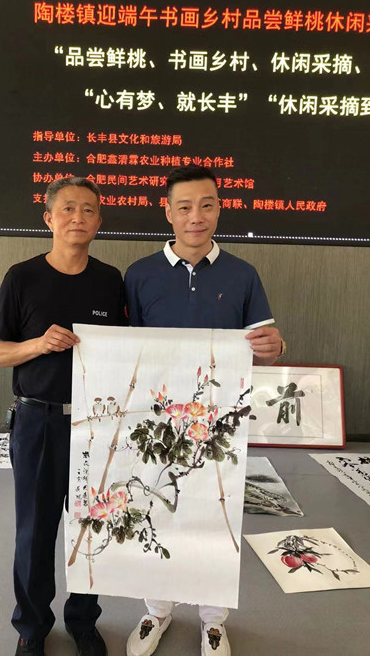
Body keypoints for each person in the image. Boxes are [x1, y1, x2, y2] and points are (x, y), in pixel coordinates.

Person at [124, 165, 285, 656]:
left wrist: (275, 346)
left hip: (220, 425)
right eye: (185, 206)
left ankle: (213, 621)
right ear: (168, 212)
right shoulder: (139, 274)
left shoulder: (243, 274)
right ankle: (157, 610)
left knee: (216, 515)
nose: (197, 216)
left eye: (207, 205)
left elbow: (264, 344)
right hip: (156, 425)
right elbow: (126, 350)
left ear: (219, 209)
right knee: (156, 510)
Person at [0, 177, 126, 656]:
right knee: (35, 531)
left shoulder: (110, 280)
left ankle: (83, 621)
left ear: (99, 222)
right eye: (68, 209)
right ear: (49, 218)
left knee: (91, 526)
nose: (78, 218)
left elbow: (126, 351)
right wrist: (37, 344)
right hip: (37, 423)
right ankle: (31, 627)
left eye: (88, 210)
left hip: (94, 425)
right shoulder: (21, 277)